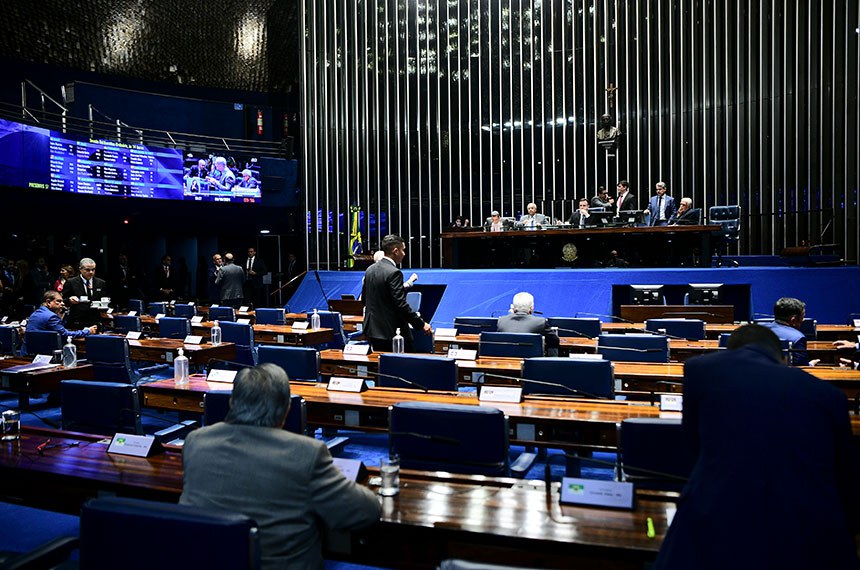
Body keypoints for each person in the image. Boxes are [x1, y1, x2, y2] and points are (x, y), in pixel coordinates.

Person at [654, 324, 860, 570]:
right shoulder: (830, 396)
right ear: (782, 358)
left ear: (729, 352)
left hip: (717, 514)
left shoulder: (701, 370)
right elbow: (846, 477)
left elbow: (695, 447)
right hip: (807, 524)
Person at [179, 363, 380, 570]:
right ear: (286, 409)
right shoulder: (306, 453)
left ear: (232, 402)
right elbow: (364, 511)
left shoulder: (196, 441)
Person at [361, 234, 431, 352]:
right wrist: (421, 324)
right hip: (392, 332)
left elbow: (364, 300)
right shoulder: (394, 273)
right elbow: (400, 304)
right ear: (395, 251)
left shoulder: (370, 270)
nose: (404, 254)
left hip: (372, 331)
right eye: (403, 250)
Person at [24, 291, 97, 353]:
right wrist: (87, 331)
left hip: (29, 352)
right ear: (48, 302)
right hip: (45, 354)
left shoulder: (35, 313)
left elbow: (59, 327)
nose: (63, 304)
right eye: (58, 301)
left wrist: (62, 315)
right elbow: (65, 334)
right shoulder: (51, 316)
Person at [496, 292, 560, 356]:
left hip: (507, 361)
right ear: (532, 307)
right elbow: (555, 341)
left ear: (512, 307)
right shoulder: (540, 322)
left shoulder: (502, 321)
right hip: (531, 362)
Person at [760, 297, 809, 366]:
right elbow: (801, 367)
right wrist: (811, 365)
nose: (803, 320)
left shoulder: (757, 330)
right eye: (802, 317)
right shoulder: (798, 338)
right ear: (793, 320)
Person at [61, 257, 106, 327]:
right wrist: (69, 300)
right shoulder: (71, 282)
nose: (91, 272)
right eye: (87, 270)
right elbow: (62, 301)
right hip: (77, 320)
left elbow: (105, 299)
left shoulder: (101, 283)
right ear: (80, 269)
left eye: (93, 270)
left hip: (95, 320)